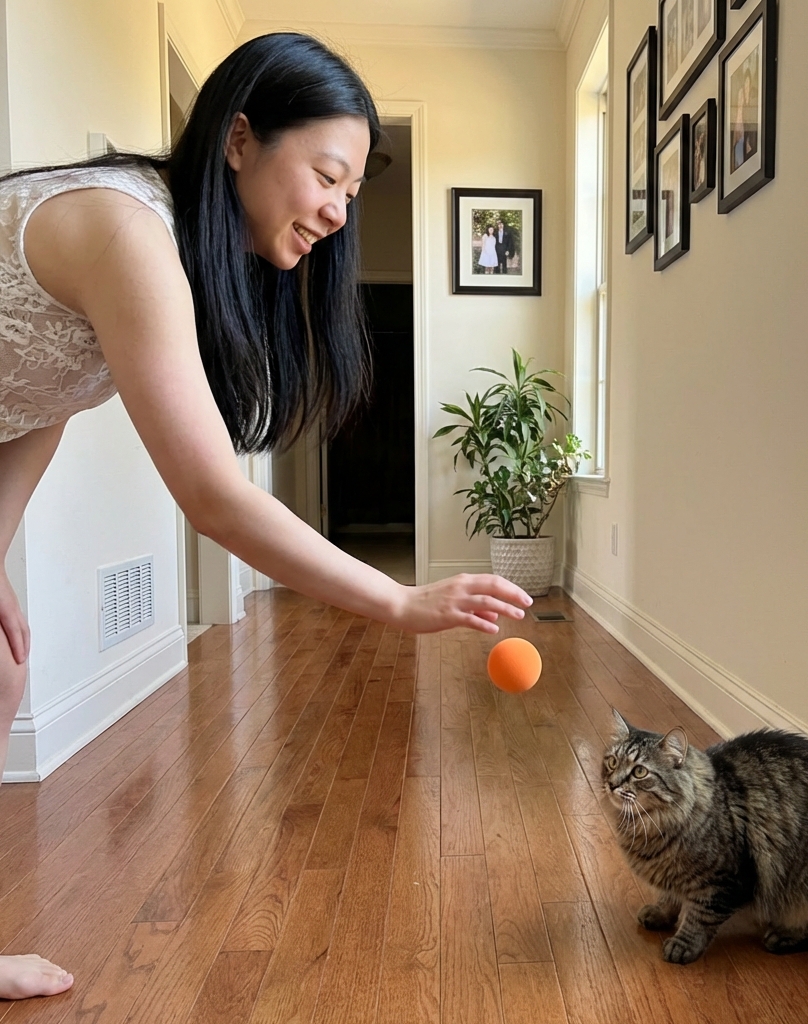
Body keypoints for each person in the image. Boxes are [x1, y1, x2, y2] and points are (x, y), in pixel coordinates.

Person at [0, 32, 531, 1001]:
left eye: (353, 193)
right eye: (326, 174)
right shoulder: (128, 231)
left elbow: (32, 399)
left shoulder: (173, 252)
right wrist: (400, 602)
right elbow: (212, 495)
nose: (337, 209)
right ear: (239, 139)